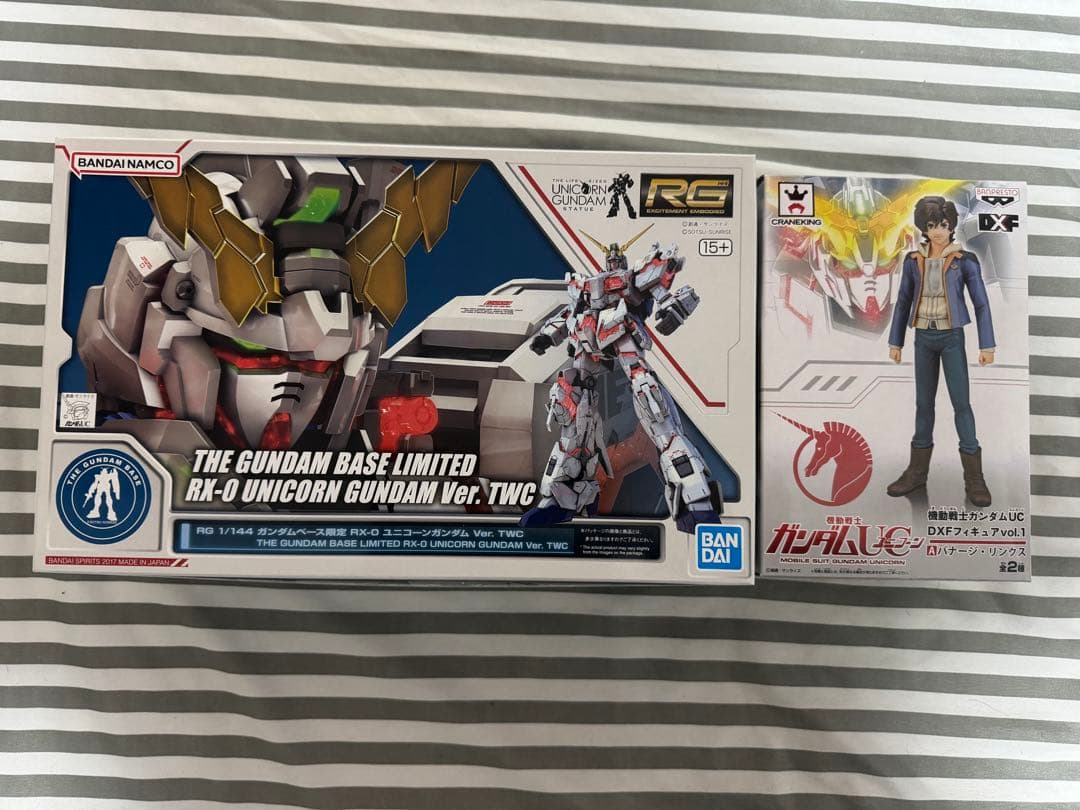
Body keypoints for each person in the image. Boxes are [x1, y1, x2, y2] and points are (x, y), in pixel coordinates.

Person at [885, 196, 995, 506]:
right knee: (924, 404)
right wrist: (896, 342)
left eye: (943, 225)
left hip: (951, 337)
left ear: (951, 227)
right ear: (923, 227)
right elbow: (903, 301)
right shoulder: (913, 261)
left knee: (962, 404)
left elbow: (981, 303)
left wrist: (987, 344)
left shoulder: (965, 260)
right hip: (923, 337)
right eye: (931, 225)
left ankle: (974, 476)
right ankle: (917, 472)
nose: (937, 231)